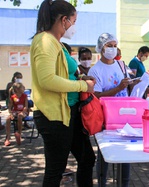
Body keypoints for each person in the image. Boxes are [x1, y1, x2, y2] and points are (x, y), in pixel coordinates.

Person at [30, 1, 96, 186]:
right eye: (73, 21)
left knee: (87, 158)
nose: (73, 26)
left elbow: (63, 73)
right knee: (55, 171)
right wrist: (83, 87)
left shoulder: (57, 43)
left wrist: (81, 80)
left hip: (69, 112)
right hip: (54, 116)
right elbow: (47, 80)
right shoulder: (45, 41)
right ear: (64, 20)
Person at [88, 33, 139, 187]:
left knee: (126, 153)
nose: (112, 49)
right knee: (104, 154)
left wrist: (133, 84)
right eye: (109, 45)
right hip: (106, 117)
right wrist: (118, 88)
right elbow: (96, 95)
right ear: (101, 48)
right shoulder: (95, 70)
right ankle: (102, 183)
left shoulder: (120, 65)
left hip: (125, 114)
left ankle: (124, 184)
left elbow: (126, 85)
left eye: (115, 45)